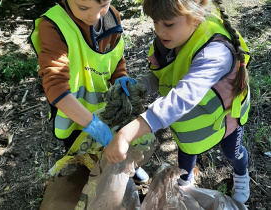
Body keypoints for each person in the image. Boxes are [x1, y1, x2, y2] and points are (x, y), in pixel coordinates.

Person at [105, 0, 251, 204]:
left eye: (168, 24)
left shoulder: (215, 52)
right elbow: (162, 75)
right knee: (187, 148)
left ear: (197, 13)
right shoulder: (170, 41)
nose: (159, 31)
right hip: (194, 123)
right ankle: (185, 181)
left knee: (232, 152)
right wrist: (141, 85)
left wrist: (126, 134)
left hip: (225, 118)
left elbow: (182, 97)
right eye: (156, 22)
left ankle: (241, 174)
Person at [30, 0, 148, 183]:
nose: (95, 16)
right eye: (83, 8)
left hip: (106, 109)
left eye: (103, 5)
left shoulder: (111, 17)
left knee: (114, 150)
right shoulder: (54, 26)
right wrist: (94, 125)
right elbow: (55, 86)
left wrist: (120, 78)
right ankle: (90, 182)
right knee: (84, 163)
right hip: (73, 118)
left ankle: (127, 168)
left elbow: (115, 58)